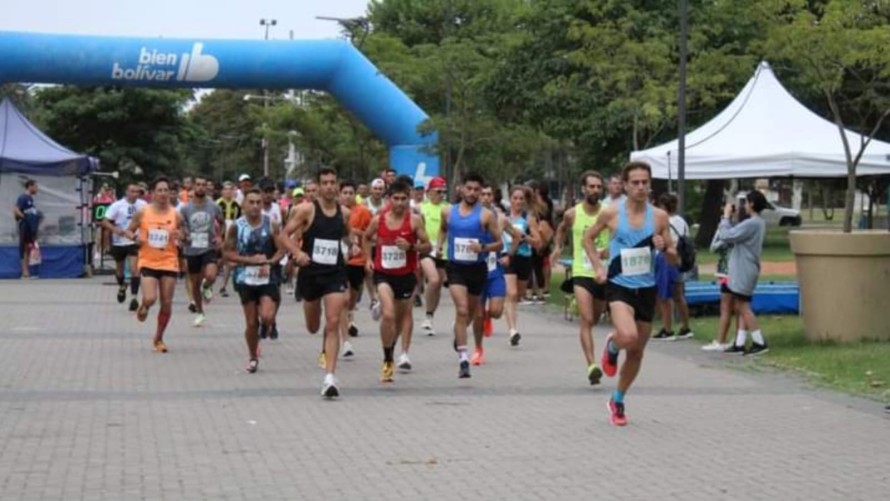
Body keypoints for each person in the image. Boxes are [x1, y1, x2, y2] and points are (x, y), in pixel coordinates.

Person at [583, 161, 677, 426]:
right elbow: (587, 239)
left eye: (644, 182)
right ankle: (613, 346)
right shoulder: (611, 213)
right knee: (628, 336)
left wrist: (664, 247)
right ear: (625, 185)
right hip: (619, 284)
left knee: (636, 353)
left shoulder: (658, 217)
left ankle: (618, 399)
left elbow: (673, 258)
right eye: (634, 182)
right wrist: (598, 266)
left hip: (647, 288)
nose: (640, 187)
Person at [279, 167, 354, 398]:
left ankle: (329, 378)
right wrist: (296, 252)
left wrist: (353, 245)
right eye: (325, 182)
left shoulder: (344, 213)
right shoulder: (306, 210)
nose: (330, 186)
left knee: (333, 323)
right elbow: (282, 235)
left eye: (333, 182)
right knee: (314, 326)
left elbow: (347, 235)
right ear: (318, 186)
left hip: (335, 273)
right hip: (311, 273)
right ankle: (313, 316)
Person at [362, 180, 431, 382]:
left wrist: (411, 247)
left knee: (400, 320)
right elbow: (366, 238)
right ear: (388, 199)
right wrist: (368, 259)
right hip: (383, 274)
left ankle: (391, 348)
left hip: (406, 275)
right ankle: (387, 359)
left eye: (403, 199)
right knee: (389, 315)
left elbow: (427, 246)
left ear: (408, 199)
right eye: (396, 198)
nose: (400, 203)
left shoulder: (415, 221)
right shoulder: (379, 220)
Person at [436, 172, 503, 378]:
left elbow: (499, 243)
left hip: (477, 269)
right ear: (461, 189)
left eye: (477, 190)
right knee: (462, 310)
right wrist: (439, 246)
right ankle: (463, 359)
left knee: (472, 313)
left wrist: (482, 247)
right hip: (456, 267)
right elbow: (442, 230)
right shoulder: (448, 212)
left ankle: (459, 334)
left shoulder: (486, 215)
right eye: (469, 188)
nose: (473, 193)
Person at [551, 170, 610, 385]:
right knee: (586, 319)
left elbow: (618, 236)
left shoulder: (608, 213)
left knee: (594, 317)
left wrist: (608, 250)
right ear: (583, 189)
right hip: (582, 271)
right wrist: (558, 247)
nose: (595, 190)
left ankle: (580, 304)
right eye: (591, 186)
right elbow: (562, 229)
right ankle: (592, 364)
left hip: (602, 272)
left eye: (598, 187)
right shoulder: (572, 214)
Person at [223, 188, 284, 373]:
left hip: (267, 278)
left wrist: (270, 261)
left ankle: (267, 325)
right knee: (251, 323)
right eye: (251, 202)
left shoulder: (271, 224)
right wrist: (250, 261)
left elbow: (282, 249)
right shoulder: (236, 226)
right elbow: (227, 253)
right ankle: (253, 356)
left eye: (258, 202)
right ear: (244, 205)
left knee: (266, 316)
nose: (256, 206)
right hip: (245, 279)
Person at [124, 176, 185, 353]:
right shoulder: (143, 212)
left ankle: (159, 338)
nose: (163, 193)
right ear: (153, 193)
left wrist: (183, 236)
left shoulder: (176, 214)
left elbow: (185, 235)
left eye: (166, 190)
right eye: (160, 190)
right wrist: (135, 237)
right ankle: (144, 306)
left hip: (169, 261)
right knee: (151, 298)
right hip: (148, 261)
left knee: (167, 303)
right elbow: (129, 230)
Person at [718, 190, 769, 355]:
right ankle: (740, 342)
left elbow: (726, 236)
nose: (744, 206)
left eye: (746, 202)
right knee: (740, 305)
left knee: (744, 306)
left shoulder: (752, 223)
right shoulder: (758, 223)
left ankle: (759, 341)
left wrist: (726, 217)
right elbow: (736, 233)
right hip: (748, 267)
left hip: (744, 269)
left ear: (752, 203)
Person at [473, 185, 519, 365]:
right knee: (476, 315)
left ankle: (487, 317)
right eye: (482, 194)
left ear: (493, 196)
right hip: (475, 272)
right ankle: (478, 349)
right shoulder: (470, 217)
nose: (485, 197)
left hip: (494, 271)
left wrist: (509, 255)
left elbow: (517, 237)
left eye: (488, 194)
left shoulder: (500, 218)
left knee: (496, 311)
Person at [179, 176, 224, 327]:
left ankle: (208, 285)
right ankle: (199, 311)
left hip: (208, 246)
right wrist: (184, 237)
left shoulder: (213, 206)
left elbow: (222, 222)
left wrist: (219, 237)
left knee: (211, 274)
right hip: (192, 249)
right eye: (198, 185)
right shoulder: (186, 208)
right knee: (194, 283)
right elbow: (181, 227)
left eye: (203, 185)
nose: (200, 188)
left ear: (207, 187)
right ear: (193, 187)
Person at [653, 193, 694, 340]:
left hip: (666, 258)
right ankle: (685, 326)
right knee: (678, 295)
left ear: (663, 207)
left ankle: (667, 329)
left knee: (664, 296)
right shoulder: (682, 221)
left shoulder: (662, 222)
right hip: (679, 260)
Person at [503, 186, 540, 346]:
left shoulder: (528, 218)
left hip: (524, 258)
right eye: (515, 198)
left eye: (521, 199)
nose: (518, 201)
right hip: (509, 257)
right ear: (510, 200)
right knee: (510, 294)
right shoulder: (503, 218)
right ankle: (513, 331)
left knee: (518, 295)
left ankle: (512, 321)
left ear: (525, 201)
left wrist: (524, 237)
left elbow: (538, 242)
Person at [702, 218, 746, 351]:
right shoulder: (744, 231)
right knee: (739, 307)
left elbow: (713, 247)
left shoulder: (726, 234)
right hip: (742, 272)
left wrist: (720, 228)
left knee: (725, 307)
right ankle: (739, 339)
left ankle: (720, 340)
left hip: (727, 272)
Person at [102, 183, 148, 310]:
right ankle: (122, 286)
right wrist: (114, 229)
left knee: (135, 269)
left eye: (137, 192)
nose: (135, 194)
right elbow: (104, 221)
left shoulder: (143, 205)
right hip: (119, 241)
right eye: (132, 191)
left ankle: (134, 298)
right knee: (120, 269)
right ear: (126, 192)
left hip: (134, 240)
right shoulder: (117, 205)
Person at [340, 181, 372, 356]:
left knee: (353, 294)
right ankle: (346, 342)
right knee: (343, 298)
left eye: (350, 192)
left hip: (357, 260)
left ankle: (350, 315)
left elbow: (370, 236)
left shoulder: (363, 212)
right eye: (344, 192)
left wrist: (368, 258)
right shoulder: (334, 212)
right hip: (338, 261)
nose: (347, 195)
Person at [419, 176, 450, 336]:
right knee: (434, 279)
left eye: (444, 191)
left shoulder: (449, 208)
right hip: (426, 249)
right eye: (438, 191)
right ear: (429, 192)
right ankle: (426, 312)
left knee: (437, 285)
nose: (441, 194)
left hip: (443, 251)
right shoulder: (421, 208)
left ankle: (429, 316)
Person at [216, 181, 242, 298]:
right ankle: (208, 282)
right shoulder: (217, 204)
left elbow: (240, 220)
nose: (228, 192)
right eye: (226, 189)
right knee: (218, 260)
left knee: (229, 262)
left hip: (232, 234)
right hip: (220, 233)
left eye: (230, 189)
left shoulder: (237, 205)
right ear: (222, 191)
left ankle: (223, 286)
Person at [13, 179, 41, 278]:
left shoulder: (31, 199)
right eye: (36, 186)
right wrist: (24, 217)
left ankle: (27, 270)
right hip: (25, 226)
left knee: (28, 247)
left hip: (30, 227)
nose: (37, 189)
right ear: (30, 186)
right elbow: (16, 209)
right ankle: (24, 270)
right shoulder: (23, 197)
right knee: (24, 247)